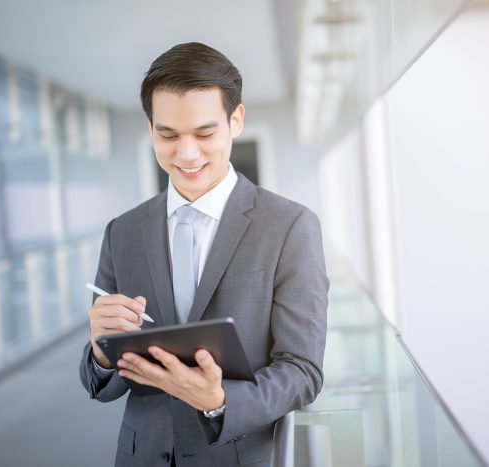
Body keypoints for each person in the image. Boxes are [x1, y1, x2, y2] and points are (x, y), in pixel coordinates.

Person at [79, 42, 328, 467]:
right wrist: (102, 351)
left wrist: (219, 400)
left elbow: (302, 370)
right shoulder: (122, 232)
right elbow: (101, 383)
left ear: (236, 121)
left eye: (205, 133)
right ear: (150, 126)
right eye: (168, 134)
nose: (186, 154)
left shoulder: (290, 226)